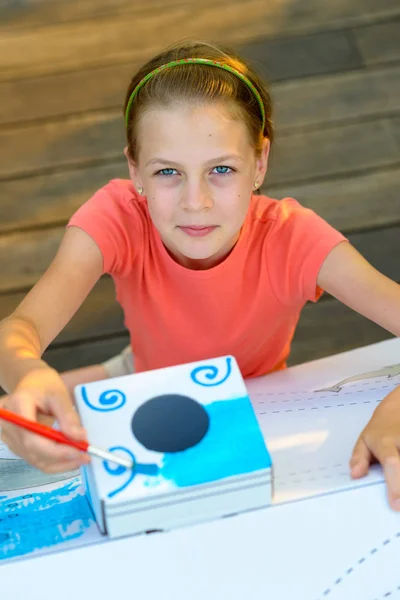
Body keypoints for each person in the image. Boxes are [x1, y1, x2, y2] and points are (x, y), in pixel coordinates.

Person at [0, 40, 399, 508]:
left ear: (260, 162)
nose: (196, 202)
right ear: (136, 171)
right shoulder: (118, 217)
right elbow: (19, 330)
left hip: (255, 394)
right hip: (141, 371)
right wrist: (28, 373)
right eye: (168, 171)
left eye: (222, 169)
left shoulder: (295, 239)